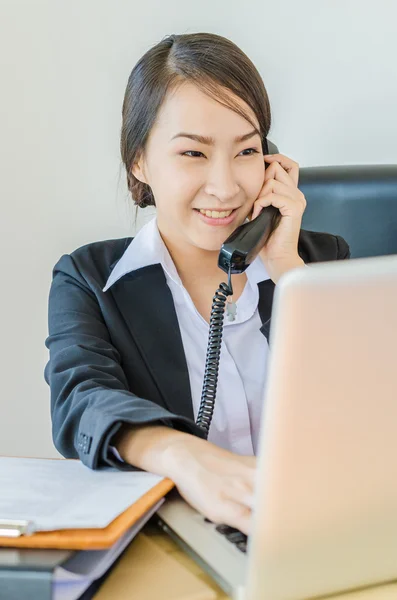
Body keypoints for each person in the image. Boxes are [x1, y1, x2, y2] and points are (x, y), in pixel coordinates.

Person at [44, 32, 350, 536]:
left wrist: (285, 268)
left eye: (246, 151)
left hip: (322, 531)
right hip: (178, 543)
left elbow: (370, 400)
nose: (226, 187)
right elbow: (81, 401)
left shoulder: (321, 264)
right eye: (193, 154)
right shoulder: (90, 280)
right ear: (139, 160)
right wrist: (185, 458)